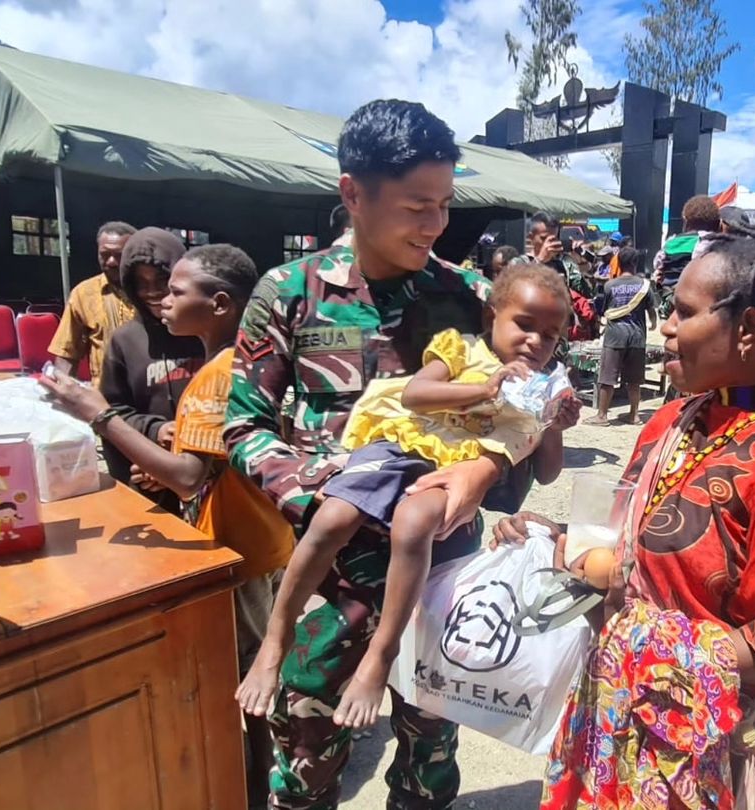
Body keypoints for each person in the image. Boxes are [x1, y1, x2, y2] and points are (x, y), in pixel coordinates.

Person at [225, 98, 539, 810]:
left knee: (430, 762)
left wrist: (487, 469)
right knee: (303, 764)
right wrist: (331, 493)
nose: (435, 225)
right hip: (327, 581)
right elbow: (243, 427)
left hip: (438, 575)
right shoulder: (291, 294)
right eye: (417, 206)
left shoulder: (463, 296)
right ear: (352, 194)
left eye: (445, 205)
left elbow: (521, 408)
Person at [495, 229, 755, 809]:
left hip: (706, 748)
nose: (664, 326)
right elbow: (629, 552)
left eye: (684, 313)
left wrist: (635, 637)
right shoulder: (673, 421)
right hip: (618, 716)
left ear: (747, 328)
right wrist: (556, 538)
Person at [237, 263, 579, 730]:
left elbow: (548, 470)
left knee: (415, 523)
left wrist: (555, 426)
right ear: (491, 316)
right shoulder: (461, 348)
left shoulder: (548, 384)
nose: (536, 342)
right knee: (333, 517)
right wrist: (484, 386)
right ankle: (274, 641)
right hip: (401, 444)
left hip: (450, 471)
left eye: (551, 335)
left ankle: (381, 656)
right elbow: (416, 395)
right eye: (524, 325)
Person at [39, 243, 294, 797]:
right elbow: (211, 462)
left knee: (247, 679)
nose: (162, 299)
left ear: (221, 303)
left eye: (177, 291)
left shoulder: (218, 373)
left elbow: (187, 476)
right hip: (265, 538)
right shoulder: (250, 358)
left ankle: (254, 788)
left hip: (238, 550)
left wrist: (98, 414)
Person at [99, 227, 204, 515]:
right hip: (149, 478)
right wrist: (155, 431)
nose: (152, 291)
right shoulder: (125, 341)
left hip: (211, 476)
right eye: (140, 283)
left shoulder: (207, 331)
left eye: (162, 279)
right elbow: (112, 409)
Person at [48, 221, 137, 386]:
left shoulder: (152, 291)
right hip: (104, 396)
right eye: (104, 254)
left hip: (149, 394)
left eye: (119, 255)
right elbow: (67, 352)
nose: (111, 262)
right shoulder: (83, 294)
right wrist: (64, 391)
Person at [585, 247, 657, 426]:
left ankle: (602, 416)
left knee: (607, 378)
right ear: (634, 263)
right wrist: (654, 324)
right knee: (634, 380)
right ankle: (634, 415)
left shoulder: (610, 285)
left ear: (619, 263)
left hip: (614, 336)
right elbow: (652, 311)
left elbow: (602, 311)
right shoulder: (645, 285)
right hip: (637, 336)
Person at [652, 194, 722, 318]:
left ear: (686, 221)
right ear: (716, 223)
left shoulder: (671, 241)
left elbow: (657, 264)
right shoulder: (708, 240)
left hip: (671, 301)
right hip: (698, 302)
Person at [514, 211, 589, 296]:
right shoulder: (519, 264)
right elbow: (515, 291)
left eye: (553, 238)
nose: (549, 243)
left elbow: (585, 294)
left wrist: (581, 263)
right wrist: (540, 260)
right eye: (544, 238)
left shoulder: (565, 263)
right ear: (531, 237)